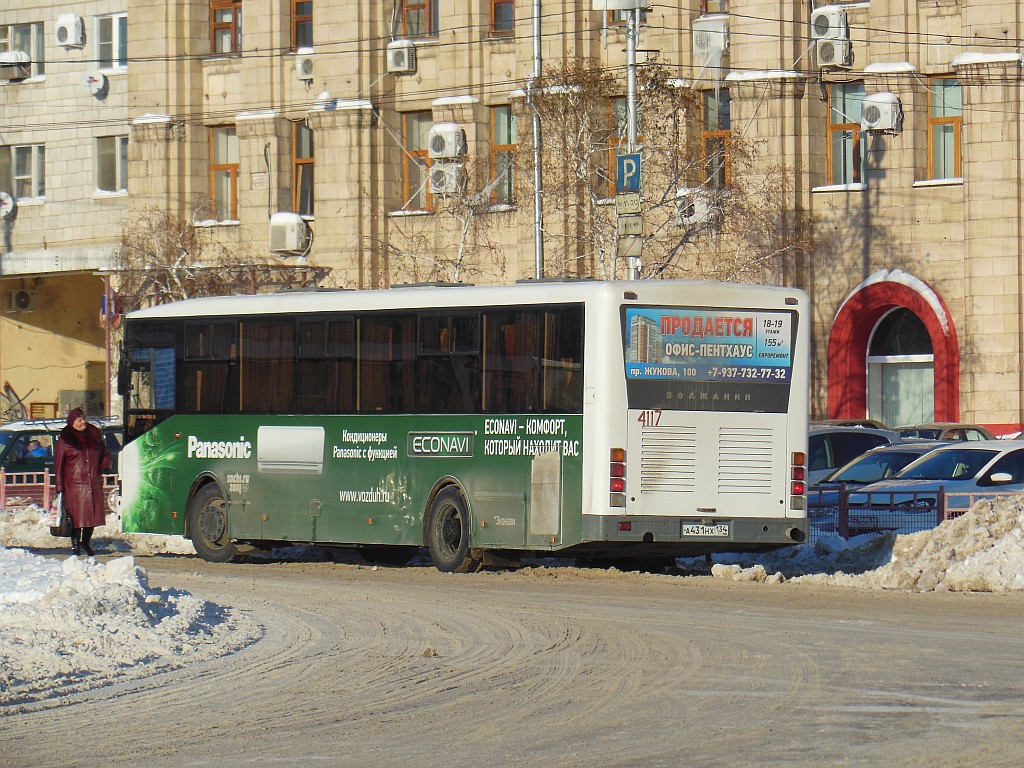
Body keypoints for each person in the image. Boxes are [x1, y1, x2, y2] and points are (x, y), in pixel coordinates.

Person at [53, 408, 110, 557]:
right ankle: (76, 545)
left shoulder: (94, 434)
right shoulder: (65, 439)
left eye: (84, 419)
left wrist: (104, 465)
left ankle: (86, 542)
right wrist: (59, 487)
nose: (83, 422)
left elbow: (104, 452)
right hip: (74, 485)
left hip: (93, 481)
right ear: (72, 422)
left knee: (91, 517)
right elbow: (58, 464)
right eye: (79, 420)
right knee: (76, 518)